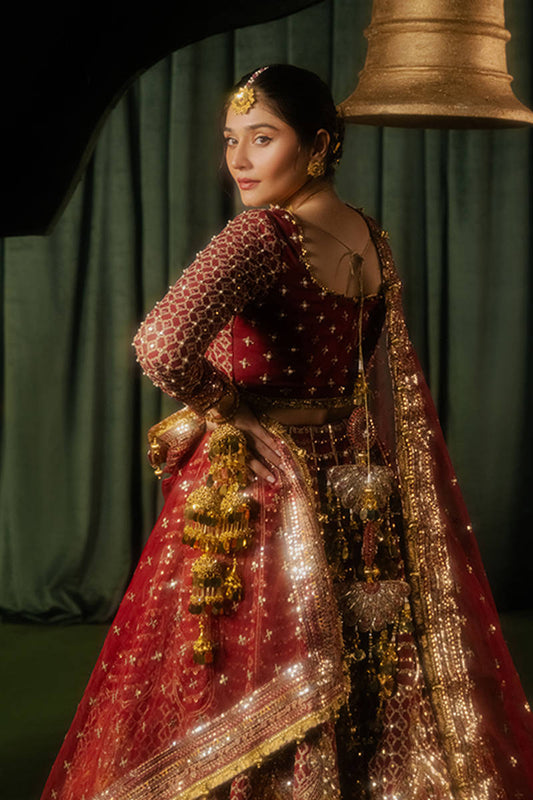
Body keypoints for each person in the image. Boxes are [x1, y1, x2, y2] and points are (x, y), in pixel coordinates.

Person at [41, 64, 533, 800]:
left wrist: (229, 410)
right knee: (354, 655)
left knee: (238, 663)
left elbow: (160, 344)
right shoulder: (370, 236)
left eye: (262, 138)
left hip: (258, 482)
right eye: (230, 139)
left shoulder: (262, 235)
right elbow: (367, 377)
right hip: (352, 481)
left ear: (319, 145)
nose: (238, 160)